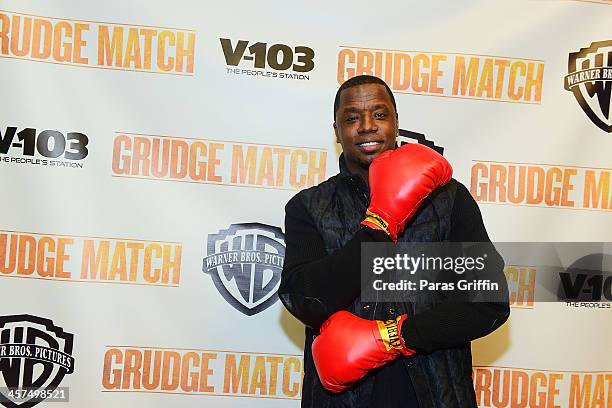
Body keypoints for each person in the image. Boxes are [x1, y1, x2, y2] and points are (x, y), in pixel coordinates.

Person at [278, 75, 510, 408]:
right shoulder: (309, 207)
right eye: (352, 118)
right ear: (337, 130)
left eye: (379, 114)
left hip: (437, 395)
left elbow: (489, 303)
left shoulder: (448, 199)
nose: (367, 126)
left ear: (396, 123)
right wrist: (378, 224)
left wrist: (397, 337)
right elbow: (304, 299)